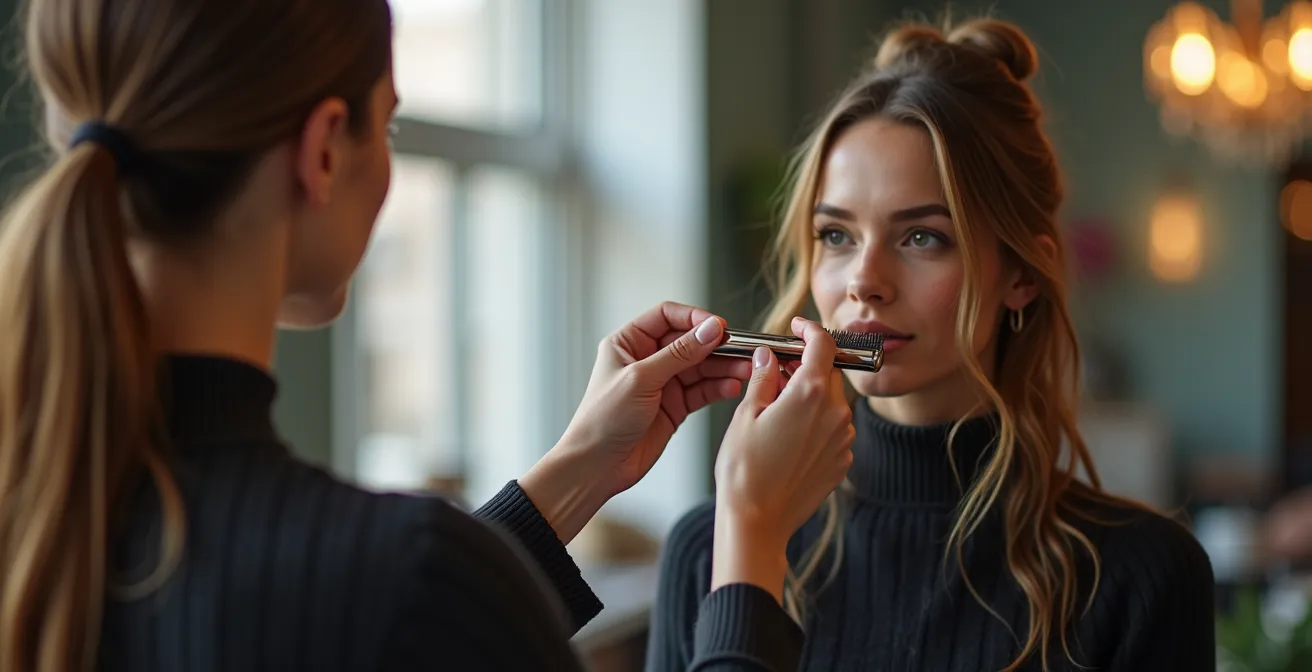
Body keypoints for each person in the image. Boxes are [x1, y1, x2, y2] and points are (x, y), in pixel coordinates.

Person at [0, 1, 857, 671]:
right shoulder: (411, 581)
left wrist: (573, 474)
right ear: (325, 149)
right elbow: (408, 613)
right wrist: (752, 536)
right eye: (391, 124)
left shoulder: (44, 519)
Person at [648, 17, 1217, 672]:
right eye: (836, 235)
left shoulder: (1142, 577)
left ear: (1022, 278)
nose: (864, 280)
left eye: (922, 237)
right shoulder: (710, 549)